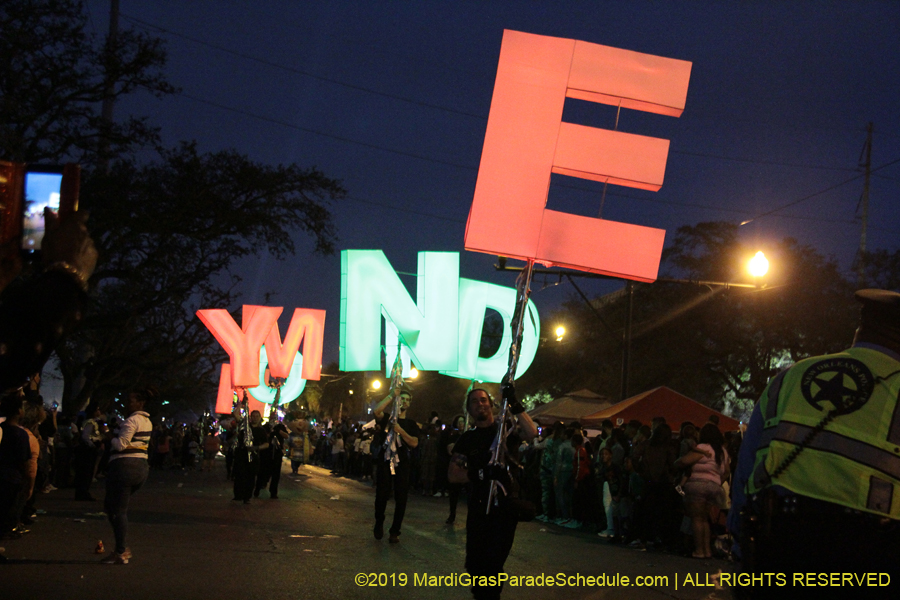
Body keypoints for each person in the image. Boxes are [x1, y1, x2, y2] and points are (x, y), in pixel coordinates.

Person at [729, 289, 900, 598]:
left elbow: (747, 468)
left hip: (775, 547)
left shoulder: (790, 376)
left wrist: (742, 549)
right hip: (873, 560)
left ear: (859, 330)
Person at [449, 386, 537, 600]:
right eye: (474, 402)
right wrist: (480, 474)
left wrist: (514, 402)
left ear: (490, 403)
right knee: (474, 565)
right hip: (479, 506)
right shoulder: (467, 439)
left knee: (493, 565)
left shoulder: (506, 430)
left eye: (483, 400)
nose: (480, 404)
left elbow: (531, 432)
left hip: (504, 508)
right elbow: (453, 475)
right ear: (469, 410)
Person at [100, 385, 155, 565]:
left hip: (124, 467)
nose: (127, 404)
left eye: (130, 401)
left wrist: (109, 437)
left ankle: (121, 551)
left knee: (118, 510)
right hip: (140, 467)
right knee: (113, 507)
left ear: (140, 402)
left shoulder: (132, 421)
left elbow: (120, 445)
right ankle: (120, 548)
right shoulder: (147, 421)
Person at [372, 385, 420, 544]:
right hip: (386, 460)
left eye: (408, 400)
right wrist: (391, 396)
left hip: (403, 462)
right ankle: (379, 522)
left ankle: (395, 531)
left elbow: (414, 443)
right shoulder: (388, 418)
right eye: (402, 399)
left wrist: (400, 430)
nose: (405, 402)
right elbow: (376, 412)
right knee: (382, 494)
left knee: (401, 497)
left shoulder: (412, 424)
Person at [675, 423, 729, 558]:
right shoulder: (723, 451)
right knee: (705, 519)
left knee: (697, 519)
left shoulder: (702, 448)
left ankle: (699, 550)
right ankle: (707, 550)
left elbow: (683, 462)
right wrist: (716, 481)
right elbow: (726, 472)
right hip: (714, 488)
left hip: (697, 486)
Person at [232, 410, 268, 504]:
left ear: (260, 417)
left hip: (253, 456)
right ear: (250, 417)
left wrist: (256, 448)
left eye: (257, 416)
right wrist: (242, 402)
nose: (255, 418)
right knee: (240, 475)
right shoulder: (245, 427)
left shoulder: (261, 430)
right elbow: (236, 414)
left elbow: (266, 444)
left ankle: (247, 496)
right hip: (242, 454)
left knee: (251, 477)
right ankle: (238, 495)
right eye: (253, 416)